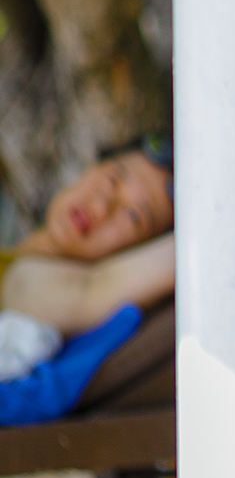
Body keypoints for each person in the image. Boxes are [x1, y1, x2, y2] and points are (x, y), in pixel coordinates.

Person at [1, 134, 176, 339]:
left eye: (133, 216)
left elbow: (92, 290)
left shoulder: (24, 285)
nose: (102, 206)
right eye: (113, 178)